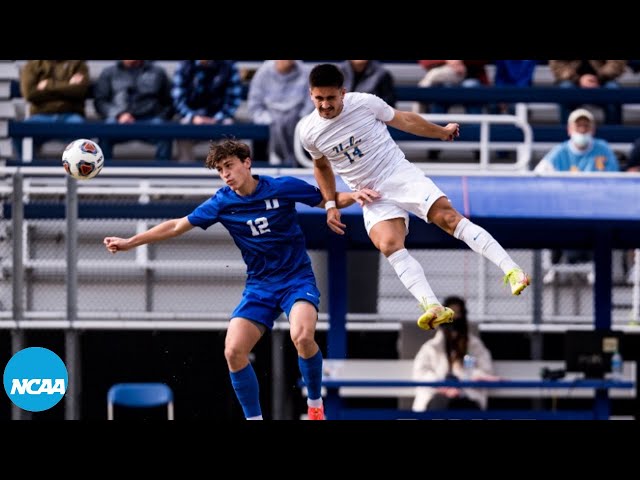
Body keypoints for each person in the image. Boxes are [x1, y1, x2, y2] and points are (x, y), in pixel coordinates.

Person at [103, 139, 379, 420]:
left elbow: (326, 198)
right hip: (259, 287)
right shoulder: (222, 202)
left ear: (247, 163)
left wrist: (354, 196)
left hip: (296, 280)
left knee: (302, 336)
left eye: (229, 166)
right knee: (233, 351)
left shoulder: (282, 187)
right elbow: (176, 226)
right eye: (220, 170)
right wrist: (130, 242)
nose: (225, 174)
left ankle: (315, 404)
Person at [299, 64, 530, 331]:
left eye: (331, 98)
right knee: (387, 244)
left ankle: (513, 270)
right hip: (371, 193)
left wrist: (441, 131)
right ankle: (432, 306)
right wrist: (330, 205)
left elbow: (405, 120)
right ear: (310, 95)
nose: (325, 105)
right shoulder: (309, 131)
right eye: (319, 99)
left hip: (397, 173)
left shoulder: (364, 103)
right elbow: (322, 166)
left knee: (448, 218)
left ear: (343, 92)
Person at [534, 108, 620, 282]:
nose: (582, 130)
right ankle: (553, 266)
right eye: (578, 126)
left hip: (597, 208)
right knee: (549, 224)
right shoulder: (561, 151)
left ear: (592, 130)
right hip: (566, 207)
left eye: (585, 126)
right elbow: (540, 173)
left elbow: (615, 178)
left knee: (604, 228)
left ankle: (597, 267)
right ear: (570, 130)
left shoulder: (602, 148)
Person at [412, 296, 497, 412]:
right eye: (451, 313)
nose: (455, 318)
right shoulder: (431, 347)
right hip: (436, 398)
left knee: (464, 407)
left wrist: (466, 378)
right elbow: (420, 373)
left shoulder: (474, 346)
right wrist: (444, 387)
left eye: (458, 313)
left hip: (467, 397)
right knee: (441, 405)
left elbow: (485, 370)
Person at [15, 60, 90, 160]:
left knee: (81, 131)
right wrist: (67, 85)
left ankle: (75, 173)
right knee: (20, 132)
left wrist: (48, 85)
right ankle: (32, 171)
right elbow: (29, 94)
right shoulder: (33, 65)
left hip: (70, 115)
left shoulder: (77, 64)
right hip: (40, 116)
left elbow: (79, 90)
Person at [247, 60, 313, 166]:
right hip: (269, 119)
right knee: (259, 132)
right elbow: (255, 104)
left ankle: (298, 167)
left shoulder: (306, 72)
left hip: (298, 119)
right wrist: (269, 120)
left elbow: (310, 102)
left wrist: (300, 118)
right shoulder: (263, 72)